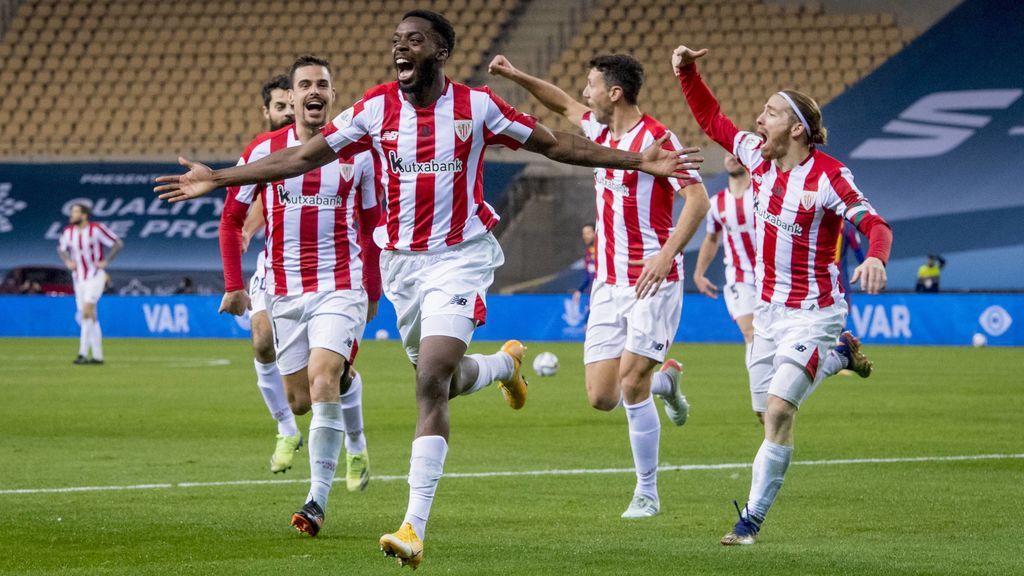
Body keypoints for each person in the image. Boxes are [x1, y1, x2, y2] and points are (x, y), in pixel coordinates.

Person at [155, 11, 701, 568]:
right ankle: (501, 369)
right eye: (395, 40)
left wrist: (638, 160)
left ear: (439, 51)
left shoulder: (476, 107)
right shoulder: (372, 108)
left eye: (413, 40)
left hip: (461, 259)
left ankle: (413, 527)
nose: (400, 48)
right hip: (402, 269)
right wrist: (219, 178)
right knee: (444, 377)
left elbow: (554, 142)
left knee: (431, 380)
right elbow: (300, 156)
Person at [673, 44, 893, 545]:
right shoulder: (757, 156)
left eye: (769, 112)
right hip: (767, 310)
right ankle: (838, 360)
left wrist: (876, 255)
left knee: (778, 411)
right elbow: (712, 119)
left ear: (796, 128)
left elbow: (874, 222)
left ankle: (749, 522)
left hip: (815, 312)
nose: (758, 118)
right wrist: (688, 72)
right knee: (763, 412)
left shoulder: (829, 178)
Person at [488, 52, 708, 518]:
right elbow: (563, 105)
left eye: (591, 85)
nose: (584, 92)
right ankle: (667, 381)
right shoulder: (602, 135)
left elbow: (698, 200)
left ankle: (646, 492)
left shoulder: (657, 139)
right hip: (607, 284)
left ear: (615, 92)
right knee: (601, 397)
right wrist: (515, 73)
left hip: (653, 281)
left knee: (630, 384)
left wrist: (666, 253)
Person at [216, 55, 381, 537]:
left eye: (322, 85)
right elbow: (231, 219)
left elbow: (371, 226)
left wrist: (371, 289)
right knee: (302, 399)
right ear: (292, 97)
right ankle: (351, 404)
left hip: (340, 285)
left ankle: (316, 501)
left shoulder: (357, 153)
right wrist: (232, 283)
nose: (314, 91)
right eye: (305, 83)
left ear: (332, 96)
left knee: (324, 377)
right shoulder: (264, 152)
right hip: (285, 290)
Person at [231, 74, 303, 476]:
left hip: (326, 273)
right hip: (274, 267)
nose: (288, 113)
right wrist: (245, 232)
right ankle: (286, 429)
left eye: (291, 106)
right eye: (280, 107)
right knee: (261, 342)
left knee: (318, 385)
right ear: (267, 112)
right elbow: (247, 206)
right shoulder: (263, 151)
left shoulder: (320, 147)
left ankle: (353, 439)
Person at [692, 153, 760, 422]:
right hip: (739, 278)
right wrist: (698, 273)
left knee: (774, 340)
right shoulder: (717, 203)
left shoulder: (764, 193)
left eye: (737, 153)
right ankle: (761, 399)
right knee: (751, 333)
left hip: (775, 279)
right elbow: (711, 239)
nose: (731, 157)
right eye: (726, 153)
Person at [58, 202, 123, 365]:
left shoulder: (96, 229)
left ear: (84, 215)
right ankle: (98, 356)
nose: (71, 215)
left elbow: (117, 243)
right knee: (88, 316)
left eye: (75, 212)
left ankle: (81, 353)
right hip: (78, 278)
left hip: (95, 276)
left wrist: (106, 261)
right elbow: (61, 248)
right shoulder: (68, 232)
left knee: (87, 311)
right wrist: (67, 261)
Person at [572, 223, 597, 306]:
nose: (585, 236)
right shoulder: (588, 254)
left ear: (595, 233)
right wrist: (579, 290)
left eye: (588, 233)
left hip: (604, 295)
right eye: (584, 234)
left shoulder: (603, 252)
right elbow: (587, 277)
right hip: (592, 297)